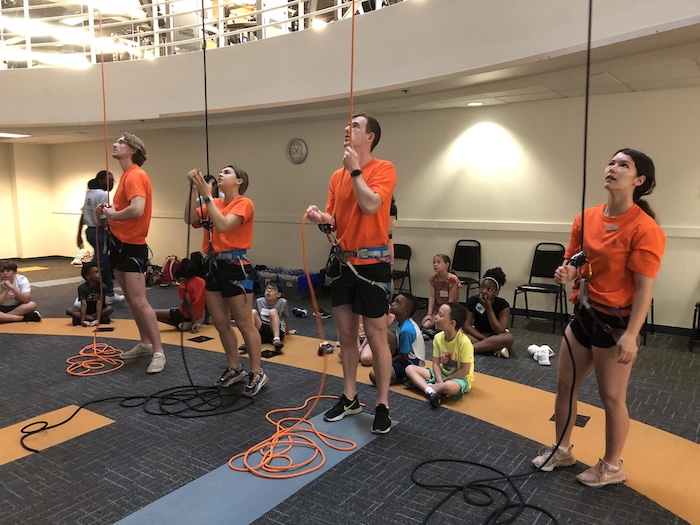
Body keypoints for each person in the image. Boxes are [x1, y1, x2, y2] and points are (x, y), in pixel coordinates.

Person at [532, 148, 666, 488]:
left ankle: (612, 466)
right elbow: (576, 258)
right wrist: (567, 272)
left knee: (611, 399)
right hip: (584, 316)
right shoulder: (586, 217)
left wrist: (631, 335)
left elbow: (643, 288)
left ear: (639, 181)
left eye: (624, 165)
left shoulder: (645, 228)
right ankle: (562, 449)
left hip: (617, 324)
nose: (613, 168)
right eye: (611, 162)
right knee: (565, 385)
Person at [305, 112, 397, 434]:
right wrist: (321, 217)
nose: (347, 130)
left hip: (373, 265)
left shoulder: (383, 169)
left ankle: (382, 403)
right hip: (345, 264)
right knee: (345, 336)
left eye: (355, 127)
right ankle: (349, 396)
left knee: (375, 336)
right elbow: (336, 218)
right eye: (346, 127)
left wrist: (355, 169)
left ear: (370, 136)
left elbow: (371, 205)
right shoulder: (336, 176)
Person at [185, 164, 268, 397]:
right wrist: (194, 190)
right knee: (221, 323)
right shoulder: (215, 203)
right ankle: (234, 368)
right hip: (214, 267)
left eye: (227, 172)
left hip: (236, 268)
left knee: (243, 323)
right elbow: (190, 218)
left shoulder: (244, 203)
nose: (221, 174)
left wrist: (208, 196)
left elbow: (223, 225)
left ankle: (256, 371)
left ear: (239, 181)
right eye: (221, 172)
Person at [98, 133, 167, 374]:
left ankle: (158, 351)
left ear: (132, 149)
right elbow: (124, 210)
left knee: (139, 301)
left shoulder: (136, 175)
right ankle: (146, 343)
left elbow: (137, 210)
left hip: (132, 246)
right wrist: (109, 212)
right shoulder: (126, 176)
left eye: (120, 142)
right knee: (131, 300)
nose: (115, 145)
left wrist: (112, 215)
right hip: (118, 243)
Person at [405, 302, 474, 408]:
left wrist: (445, 381)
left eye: (441, 315)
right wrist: (440, 380)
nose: (436, 317)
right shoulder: (438, 337)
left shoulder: (464, 342)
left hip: (459, 378)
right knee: (409, 369)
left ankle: (425, 387)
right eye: (437, 313)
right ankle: (432, 392)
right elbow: (436, 364)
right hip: (441, 374)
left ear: (452, 323)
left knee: (450, 387)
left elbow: (465, 370)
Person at [76, 170, 124, 305]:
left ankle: (102, 292)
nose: (111, 183)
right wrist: (109, 231)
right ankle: (106, 293)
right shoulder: (102, 194)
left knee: (100, 261)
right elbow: (103, 216)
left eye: (112, 180)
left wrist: (79, 234)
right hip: (99, 231)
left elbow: (83, 215)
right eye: (109, 180)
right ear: (101, 180)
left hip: (90, 231)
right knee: (102, 263)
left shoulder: (90, 193)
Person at [369, 293, 425, 386]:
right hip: (403, 354)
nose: (393, 304)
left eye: (397, 303)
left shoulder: (406, 329)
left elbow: (404, 357)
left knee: (374, 376)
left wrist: (387, 361)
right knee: (383, 331)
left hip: (411, 363)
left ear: (406, 311)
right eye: (394, 301)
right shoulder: (401, 322)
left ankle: (406, 377)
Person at [463, 267, 514, 358]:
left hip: (495, 335)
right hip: (478, 333)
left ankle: (470, 349)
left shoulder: (503, 305)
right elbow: (466, 325)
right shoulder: (473, 300)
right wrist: (486, 340)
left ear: (496, 292)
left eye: (489, 289)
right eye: (482, 288)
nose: (484, 291)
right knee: (458, 333)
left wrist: (489, 308)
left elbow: (499, 330)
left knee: (508, 338)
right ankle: (494, 348)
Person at [240, 281, 296, 355]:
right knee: (253, 311)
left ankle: (276, 341)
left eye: (272, 289)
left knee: (273, 312)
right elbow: (256, 317)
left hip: (276, 330)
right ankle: (249, 341)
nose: (268, 291)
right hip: (262, 330)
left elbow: (285, 318)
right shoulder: (259, 301)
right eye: (267, 289)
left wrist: (288, 332)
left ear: (279, 294)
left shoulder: (282, 302)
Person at [154, 258, 206, 333]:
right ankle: (182, 323)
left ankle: (182, 323)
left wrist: (194, 322)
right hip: (198, 315)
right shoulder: (202, 281)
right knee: (169, 313)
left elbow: (188, 304)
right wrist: (206, 317)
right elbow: (206, 300)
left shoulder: (183, 286)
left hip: (183, 315)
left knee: (152, 313)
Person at [420, 254, 461, 334]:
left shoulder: (452, 279)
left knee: (441, 327)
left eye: (438, 262)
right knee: (425, 324)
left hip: (449, 309)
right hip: (437, 308)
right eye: (434, 262)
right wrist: (429, 313)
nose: (435, 264)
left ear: (447, 265)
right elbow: (432, 297)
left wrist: (442, 315)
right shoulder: (434, 279)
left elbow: (451, 300)